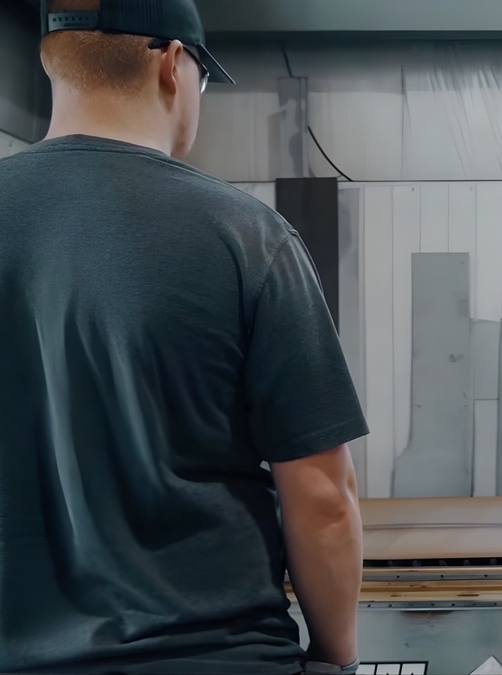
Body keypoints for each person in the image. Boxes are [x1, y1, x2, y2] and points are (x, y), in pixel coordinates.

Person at [0, 0, 368, 673]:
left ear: (53, 62)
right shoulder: (246, 238)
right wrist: (335, 657)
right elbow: (322, 497)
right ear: (174, 65)